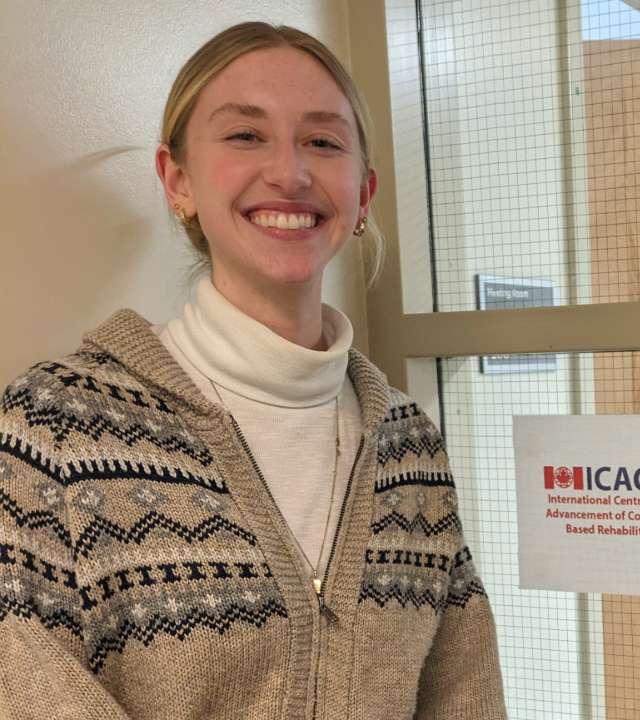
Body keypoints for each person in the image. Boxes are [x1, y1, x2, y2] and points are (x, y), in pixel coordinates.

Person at [0, 23, 506, 719]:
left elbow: (464, 691)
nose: (291, 173)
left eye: (323, 142)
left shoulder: (410, 448)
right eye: (245, 136)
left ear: (363, 196)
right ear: (178, 180)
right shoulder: (52, 430)